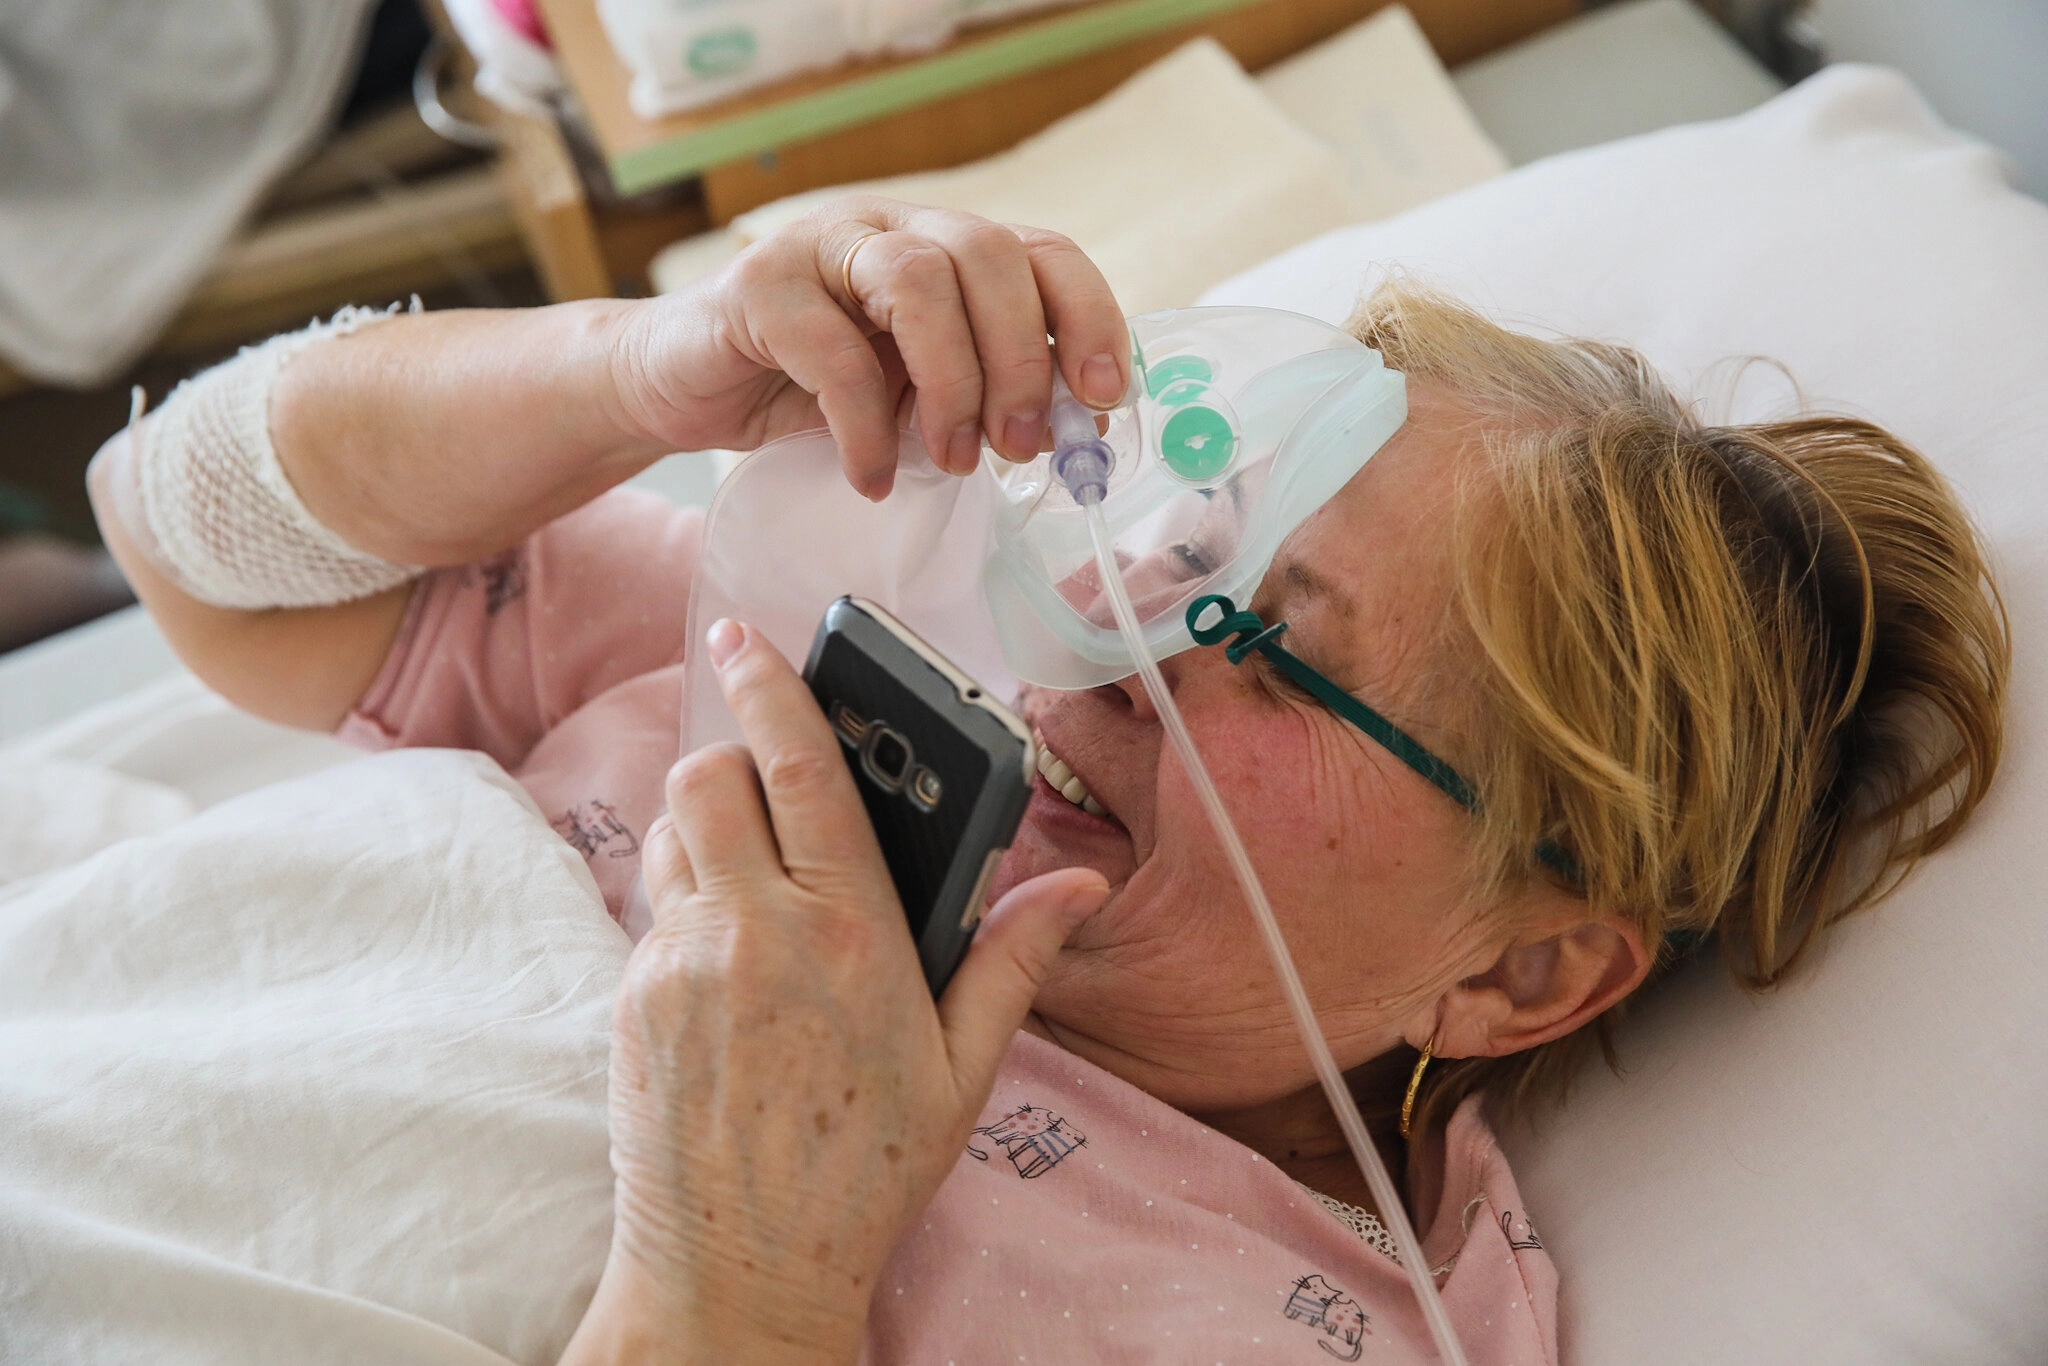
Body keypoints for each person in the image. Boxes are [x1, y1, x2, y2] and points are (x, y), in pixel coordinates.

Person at [89, 197, 2008, 1362]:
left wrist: (743, 1281)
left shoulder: (1306, 1324)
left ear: (1520, 971)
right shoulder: (826, 690)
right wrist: (637, 374)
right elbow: (180, 533)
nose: (1107, 628)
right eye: (1183, 540)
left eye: (1263, 638)